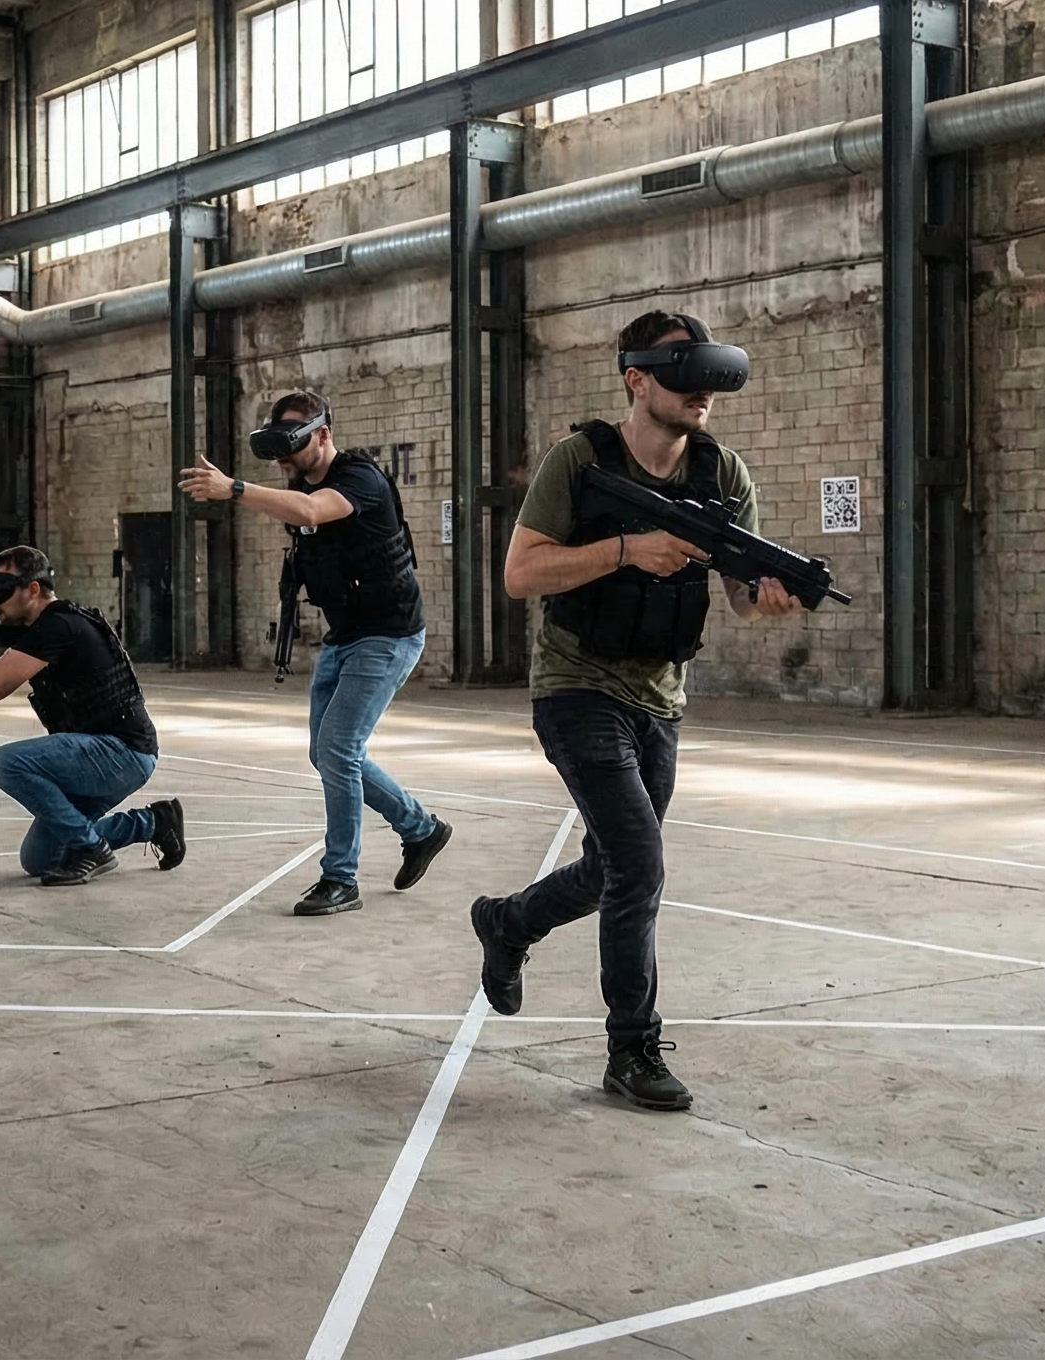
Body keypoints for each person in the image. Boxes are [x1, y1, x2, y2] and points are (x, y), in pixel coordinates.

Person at [467, 311, 802, 1112]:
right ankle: (631, 1050)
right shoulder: (579, 462)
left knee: (615, 865)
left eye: (710, 382)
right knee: (642, 866)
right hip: (576, 687)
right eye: (685, 380)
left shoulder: (724, 477)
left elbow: (743, 597)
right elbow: (520, 574)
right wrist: (628, 549)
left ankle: (510, 922)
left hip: (661, 695)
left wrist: (770, 598)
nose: (702, 397)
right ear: (637, 380)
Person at [178, 394, 450, 917]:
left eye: (292, 449)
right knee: (325, 754)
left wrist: (234, 488)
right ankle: (421, 829)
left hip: (388, 635)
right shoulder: (298, 483)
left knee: (340, 751)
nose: (284, 463)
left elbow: (311, 511)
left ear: (323, 435)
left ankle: (340, 878)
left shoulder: (359, 479)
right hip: (344, 635)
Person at [0, 546, 186, 887]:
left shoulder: (58, 626)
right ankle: (155, 823)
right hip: (103, 754)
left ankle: (93, 849)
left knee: (7, 762)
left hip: (120, 753)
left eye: (4, 591)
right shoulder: (47, 626)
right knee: (40, 859)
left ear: (34, 589)